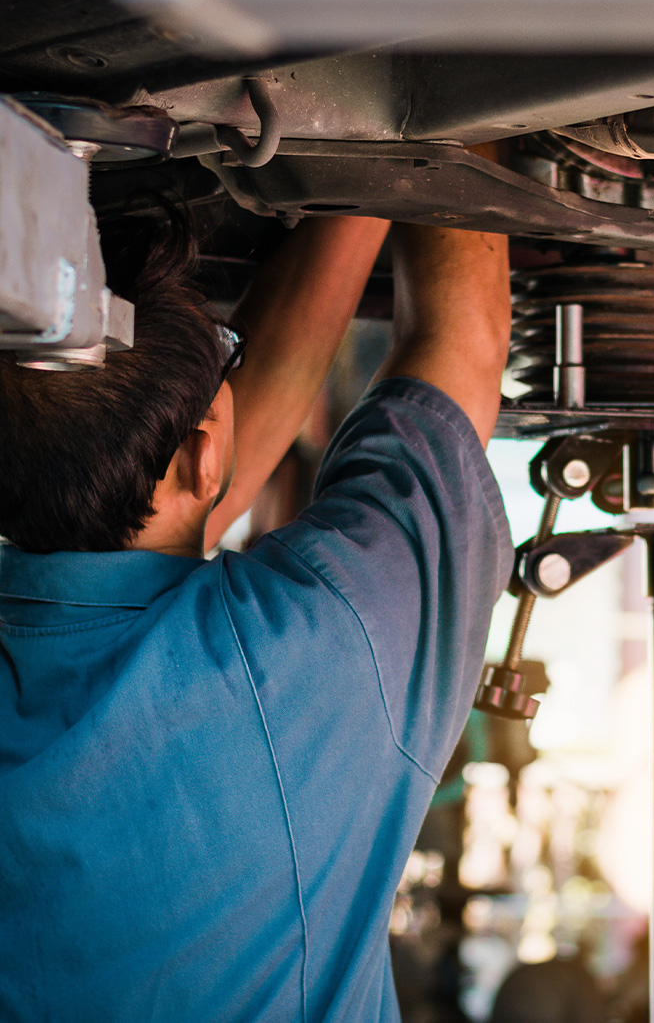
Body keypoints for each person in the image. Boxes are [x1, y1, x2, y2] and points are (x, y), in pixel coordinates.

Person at [0, 212, 513, 1022]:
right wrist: (411, 120)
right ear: (205, 456)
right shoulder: (299, 651)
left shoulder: (312, 650)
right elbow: (464, 335)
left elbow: (462, 347)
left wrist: (384, 182)